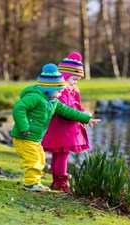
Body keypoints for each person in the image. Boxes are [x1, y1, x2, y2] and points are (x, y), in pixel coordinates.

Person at [11, 63, 100, 192]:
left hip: (34, 138)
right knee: (34, 159)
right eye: (59, 91)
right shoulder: (35, 97)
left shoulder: (53, 101)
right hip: (24, 136)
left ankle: (34, 182)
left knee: (40, 159)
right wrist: (24, 127)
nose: (60, 94)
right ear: (49, 89)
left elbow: (68, 111)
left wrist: (86, 118)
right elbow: (19, 108)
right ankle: (30, 184)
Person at [42, 52, 92, 193]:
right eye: (73, 79)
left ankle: (57, 181)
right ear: (64, 77)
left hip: (65, 129)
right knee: (62, 155)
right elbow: (65, 111)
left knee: (59, 155)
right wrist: (82, 116)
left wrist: (84, 112)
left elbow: (76, 106)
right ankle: (61, 183)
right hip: (62, 129)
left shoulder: (72, 91)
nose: (75, 83)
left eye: (77, 80)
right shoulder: (61, 92)